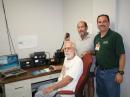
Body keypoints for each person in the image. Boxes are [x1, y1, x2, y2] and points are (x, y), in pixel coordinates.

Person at [94, 14, 125, 97]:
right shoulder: (97, 38)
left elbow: (122, 55)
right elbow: (98, 52)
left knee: (112, 95)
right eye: (99, 22)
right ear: (97, 24)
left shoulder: (115, 36)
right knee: (101, 94)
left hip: (111, 73)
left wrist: (120, 73)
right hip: (99, 72)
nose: (102, 24)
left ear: (108, 23)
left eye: (104, 21)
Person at [75, 21, 95, 97]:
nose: (80, 29)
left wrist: (89, 52)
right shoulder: (76, 39)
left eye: (82, 27)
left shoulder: (93, 38)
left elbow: (97, 51)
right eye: (79, 27)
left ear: (86, 28)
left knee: (90, 84)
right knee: (84, 85)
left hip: (90, 67)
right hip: (80, 67)